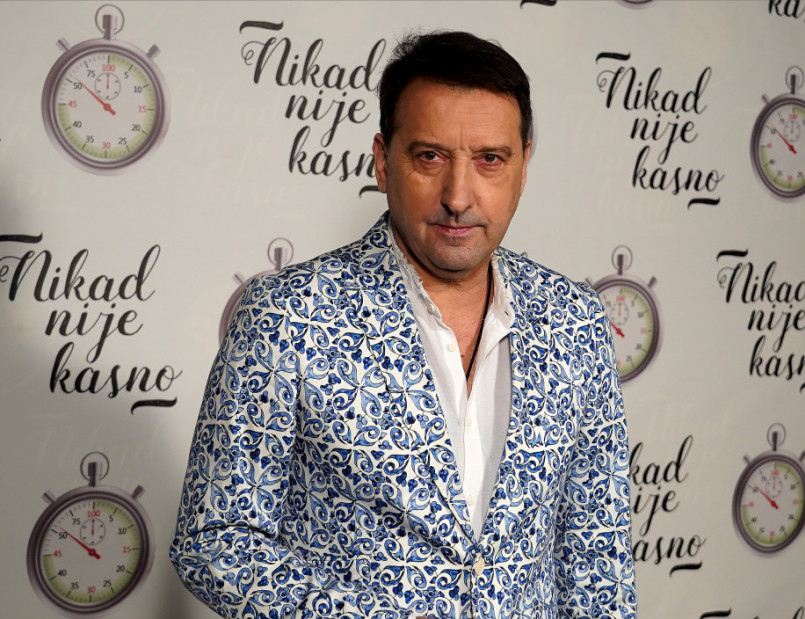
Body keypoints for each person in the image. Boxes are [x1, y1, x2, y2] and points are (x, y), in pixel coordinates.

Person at [170, 30, 635, 619]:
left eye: (490, 160)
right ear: (383, 160)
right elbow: (215, 539)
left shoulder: (575, 320)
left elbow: (598, 558)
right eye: (430, 157)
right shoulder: (287, 315)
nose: (459, 196)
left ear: (523, 166)